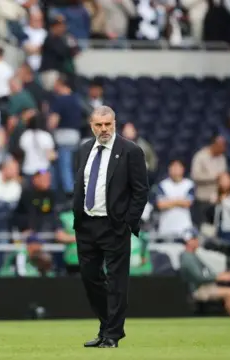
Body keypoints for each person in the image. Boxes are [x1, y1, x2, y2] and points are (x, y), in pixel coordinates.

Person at [72, 106, 148, 348]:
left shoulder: (131, 151)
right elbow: (81, 184)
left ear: (115, 123)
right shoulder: (84, 149)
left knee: (117, 282)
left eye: (108, 124)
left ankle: (112, 335)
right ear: (91, 125)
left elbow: (141, 191)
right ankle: (106, 326)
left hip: (114, 226)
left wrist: (128, 223)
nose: (103, 129)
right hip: (86, 225)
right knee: (89, 278)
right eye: (98, 125)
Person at [179, 229, 230, 317]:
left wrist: (222, 274)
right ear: (189, 241)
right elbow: (199, 277)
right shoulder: (187, 258)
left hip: (203, 286)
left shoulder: (191, 255)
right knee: (229, 292)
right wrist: (219, 277)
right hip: (199, 290)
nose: (197, 241)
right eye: (195, 239)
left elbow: (205, 273)